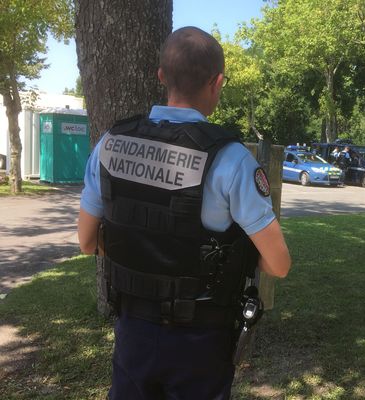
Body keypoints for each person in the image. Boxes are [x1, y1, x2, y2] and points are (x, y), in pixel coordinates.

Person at [78, 26, 291, 400]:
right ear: (218, 82)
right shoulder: (232, 159)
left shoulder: (110, 144)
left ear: (161, 76)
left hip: (133, 330)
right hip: (200, 340)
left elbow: (86, 242)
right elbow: (278, 265)